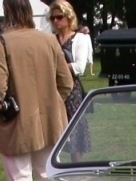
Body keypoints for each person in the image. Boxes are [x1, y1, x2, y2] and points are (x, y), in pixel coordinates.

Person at [0, 0, 73, 181]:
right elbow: (66, 83)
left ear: (6, 12)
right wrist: (52, 104)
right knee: (49, 179)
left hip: (17, 123)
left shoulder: (0, 44)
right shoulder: (49, 40)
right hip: (50, 122)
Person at [49, 1, 91, 161]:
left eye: (59, 17)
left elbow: (80, 67)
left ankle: (78, 171)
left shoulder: (80, 38)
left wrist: (58, 67)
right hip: (53, 89)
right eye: (52, 18)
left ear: (68, 17)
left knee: (75, 133)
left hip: (72, 91)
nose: (55, 21)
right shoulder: (50, 40)